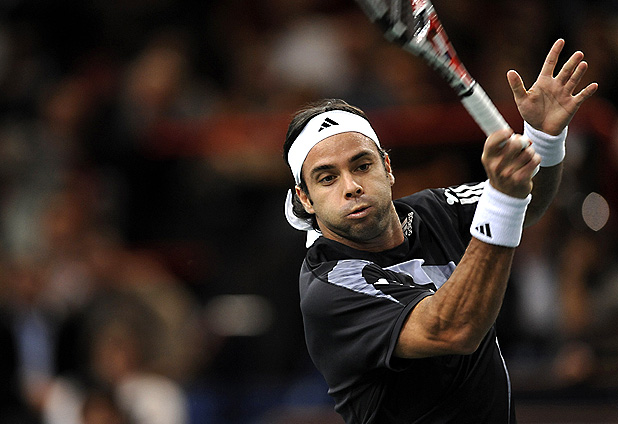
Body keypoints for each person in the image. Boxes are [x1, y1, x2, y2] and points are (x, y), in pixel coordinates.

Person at [282, 39, 597, 423]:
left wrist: (544, 140)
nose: (351, 186)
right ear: (305, 198)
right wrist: (504, 200)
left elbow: (528, 199)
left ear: (387, 168)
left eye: (362, 166)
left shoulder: (434, 208)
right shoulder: (330, 286)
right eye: (327, 178)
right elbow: (453, 329)